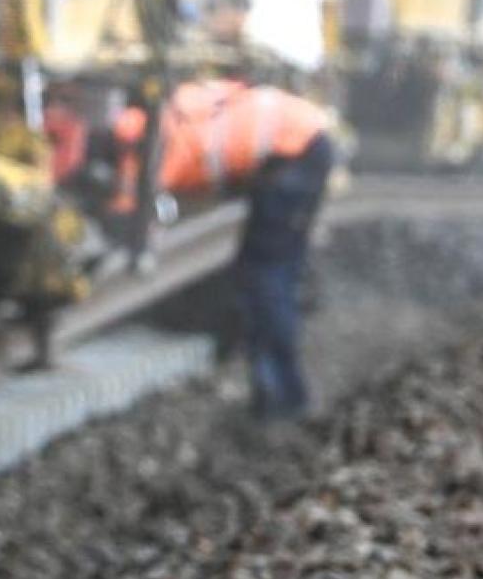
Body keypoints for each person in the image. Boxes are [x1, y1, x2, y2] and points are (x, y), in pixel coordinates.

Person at [112, 81, 336, 420]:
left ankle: (282, 397)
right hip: (304, 142)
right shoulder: (181, 102)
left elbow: (140, 212)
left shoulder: (164, 150)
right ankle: (281, 393)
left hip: (292, 156)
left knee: (265, 279)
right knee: (274, 274)